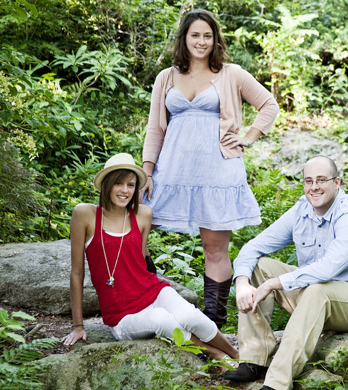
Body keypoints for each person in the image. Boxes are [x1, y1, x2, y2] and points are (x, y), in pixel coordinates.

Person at [142, 9, 279, 327]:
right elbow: (155, 129)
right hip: (172, 172)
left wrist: (249, 138)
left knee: (214, 249)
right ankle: (146, 299)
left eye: (208, 35)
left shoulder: (231, 74)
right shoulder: (166, 77)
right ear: (184, 38)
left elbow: (268, 105)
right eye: (195, 35)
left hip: (218, 173)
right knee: (137, 229)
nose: (201, 41)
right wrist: (147, 172)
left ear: (215, 40)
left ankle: (212, 324)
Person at [223, 156, 348, 390]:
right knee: (260, 266)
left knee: (316, 290)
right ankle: (255, 359)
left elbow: (327, 269)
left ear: (337, 182)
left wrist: (273, 285)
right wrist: (243, 282)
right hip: (317, 296)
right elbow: (253, 247)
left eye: (321, 180)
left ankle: (278, 385)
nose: (314, 187)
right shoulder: (302, 210)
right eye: (308, 181)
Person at [62, 153, 239, 365]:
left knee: (191, 317)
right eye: (118, 183)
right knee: (162, 320)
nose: (125, 190)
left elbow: (142, 258)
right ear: (106, 184)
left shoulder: (143, 214)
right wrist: (78, 326)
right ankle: (217, 355)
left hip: (152, 292)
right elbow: (77, 272)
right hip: (121, 315)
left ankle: (237, 354)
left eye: (131, 185)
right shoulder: (85, 214)